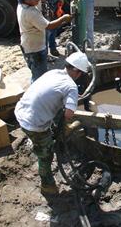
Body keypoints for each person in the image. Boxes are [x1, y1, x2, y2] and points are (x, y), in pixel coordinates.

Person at [15, 51, 89, 195]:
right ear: (77, 72)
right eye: (81, 74)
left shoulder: (53, 72)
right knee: (46, 155)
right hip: (34, 124)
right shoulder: (71, 87)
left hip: (21, 111)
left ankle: (54, 134)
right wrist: (70, 104)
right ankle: (47, 185)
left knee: (57, 108)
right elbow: (69, 113)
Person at [16, 0, 71, 82]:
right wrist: (63, 19)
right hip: (35, 50)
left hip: (28, 45)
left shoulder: (21, 6)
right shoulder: (31, 12)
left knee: (36, 73)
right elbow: (49, 26)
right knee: (39, 78)